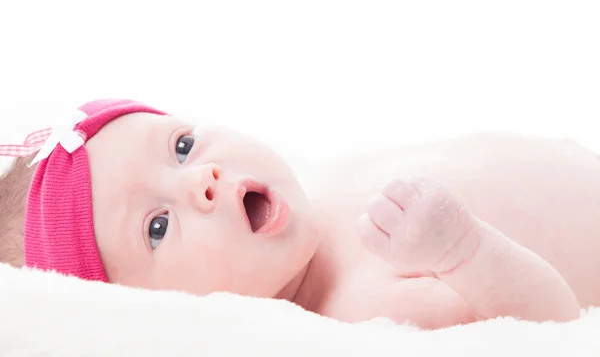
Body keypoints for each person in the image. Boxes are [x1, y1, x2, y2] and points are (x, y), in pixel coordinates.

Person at [1, 98, 598, 330]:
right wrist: (464, 252)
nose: (202, 180)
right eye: (156, 227)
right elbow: (552, 327)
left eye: (181, 147)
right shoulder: (370, 309)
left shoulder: (320, 189)